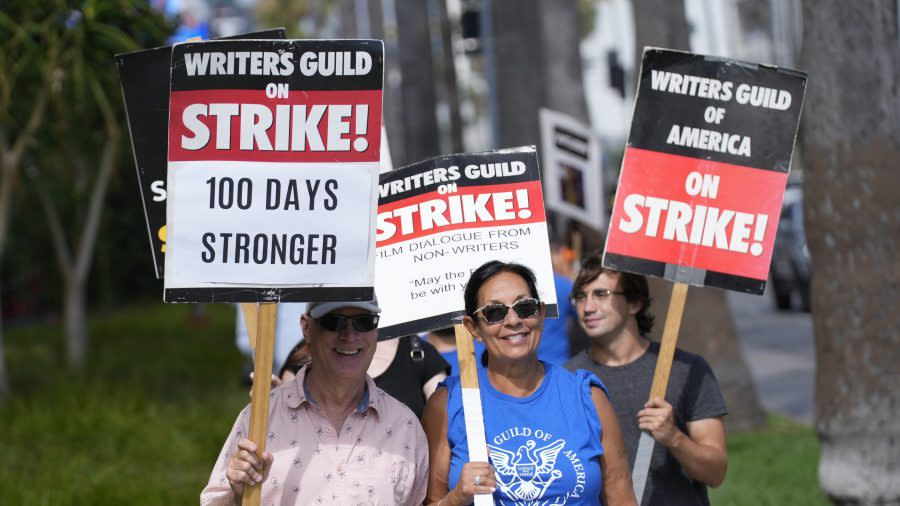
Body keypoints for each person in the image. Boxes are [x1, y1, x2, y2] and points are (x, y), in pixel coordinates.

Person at [422, 260, 636, 505]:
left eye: (524, 307)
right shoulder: (447, 403)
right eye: (494, 313)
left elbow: (621, 495)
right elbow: (431, 500)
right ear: (474, 328)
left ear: (541, 314)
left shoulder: (588, 396)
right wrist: (457, 497)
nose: (513, 320)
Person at [201, 297, 429, 505]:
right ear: (307, 327)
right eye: (334, 321)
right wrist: (236, 495)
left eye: (364, 321)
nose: (350, 335)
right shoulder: (261, 417)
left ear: (376, 329)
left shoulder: (404, 425)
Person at [564, 252, 728, 505]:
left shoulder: (687, 369)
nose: (587, 308)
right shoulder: (566, 380)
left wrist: (673, 437)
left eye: (601, 294)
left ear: (634, 303)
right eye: (580, 297)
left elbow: (715, 472)